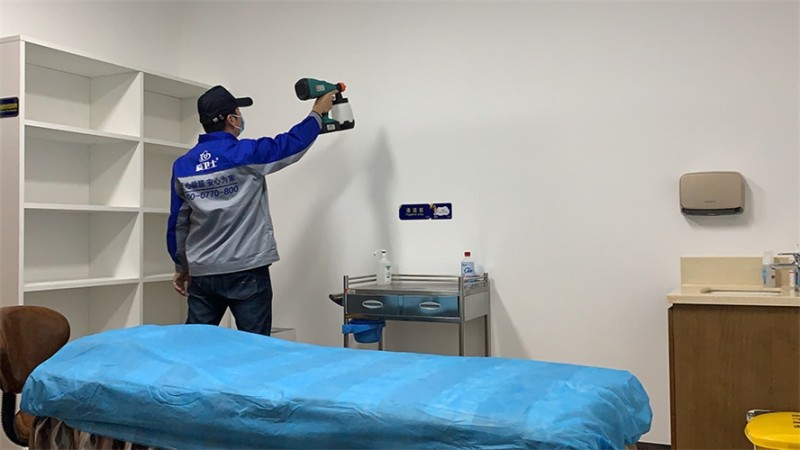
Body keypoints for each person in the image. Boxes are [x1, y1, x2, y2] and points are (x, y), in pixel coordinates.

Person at [166, 85, 336, 336]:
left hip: (203, 273)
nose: (241, 118)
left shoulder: (183, 166)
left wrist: (181, 266)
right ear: (231, 120)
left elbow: (178, 223)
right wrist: (317, 114)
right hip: (246, 270)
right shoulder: (245, 153)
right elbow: (291, 144)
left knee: (195, 345)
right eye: (238, 113)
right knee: (255, 348)